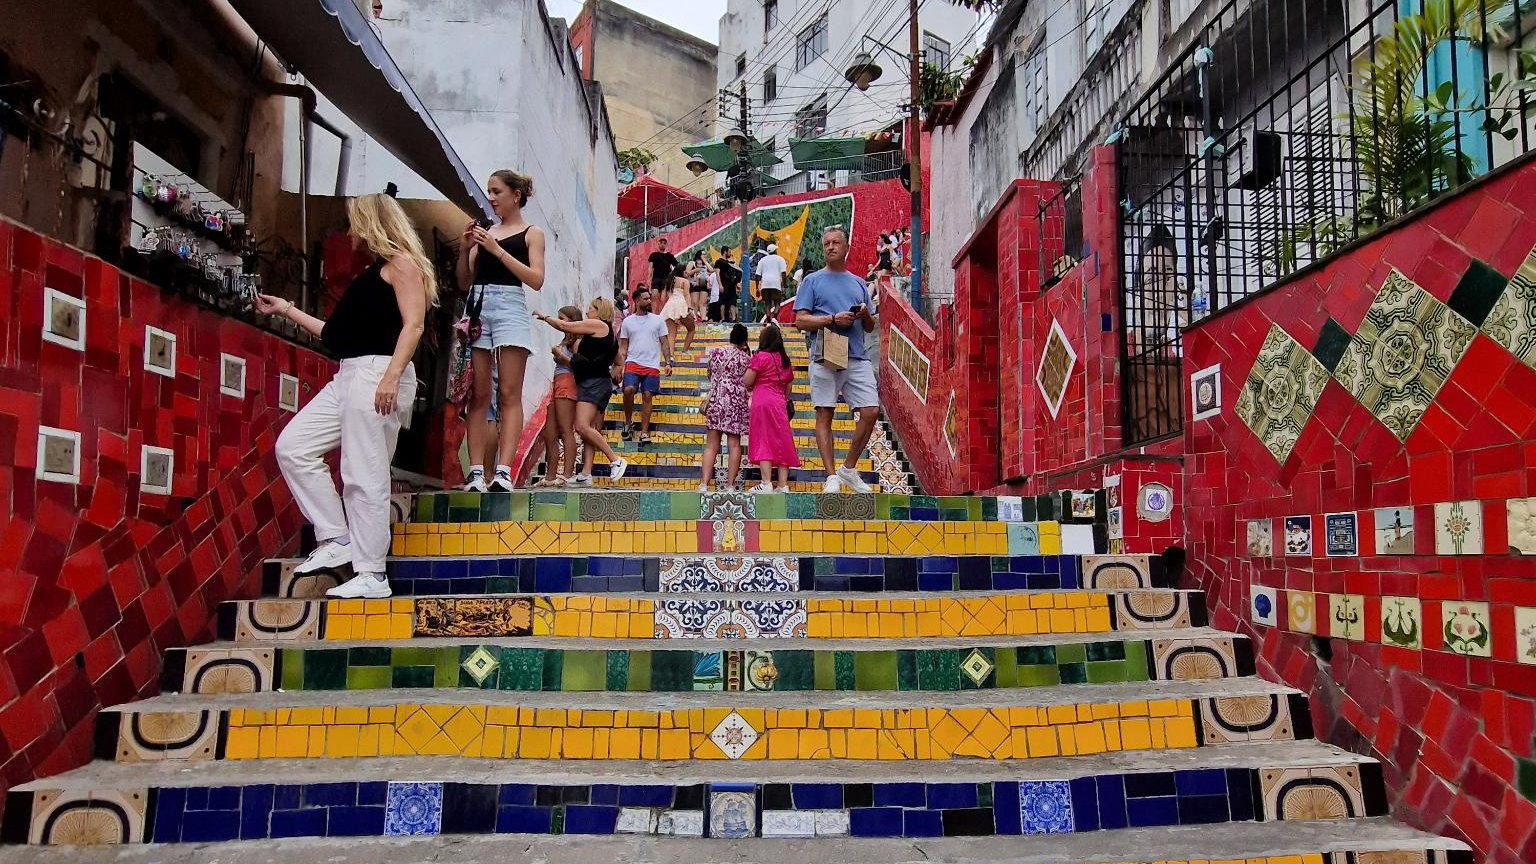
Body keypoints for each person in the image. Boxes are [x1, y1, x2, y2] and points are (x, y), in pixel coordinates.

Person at [259, 193, 433, 600]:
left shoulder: (402, 265)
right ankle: (337, 537)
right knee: (294, 446)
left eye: (355, 222)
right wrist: (286, 309)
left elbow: (415, 326)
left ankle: (372, 574)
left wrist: (390, 377)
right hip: (351, 373)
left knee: (363, 472)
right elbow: (335, 335)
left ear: (373, 222)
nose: (350, 231)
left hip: (378, 373)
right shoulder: (372, 275)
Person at [455, 170, 546, 493]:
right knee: (479, 394)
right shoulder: (486, 233)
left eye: (497, 192)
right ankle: (477, 471)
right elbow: (464, 282)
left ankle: (504, 471)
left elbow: (536, 279)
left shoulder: (531, 233)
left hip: (510, 305)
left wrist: (497, 250)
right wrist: (466, 249)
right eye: (490, 192)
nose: (491, 198)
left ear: (515, 195)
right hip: (479, 306)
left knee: (509, 392)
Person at [794, 224, 879, 494]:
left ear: (846, 248)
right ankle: (831, 476)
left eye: (835, 243)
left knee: (870, 411)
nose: (830, 247)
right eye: (826, 243)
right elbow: (799, 319)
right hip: (825, 353)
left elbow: (870, 327)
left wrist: (864, 314)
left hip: (856, 353)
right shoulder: (812, 281)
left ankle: (848, 469)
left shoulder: (858, 283)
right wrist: (832, 319)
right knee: (824, 412)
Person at [535, 298, 627, 486]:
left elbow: (563, 325)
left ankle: (615, 460)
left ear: (599, 312)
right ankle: (586, 473)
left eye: (590, 309)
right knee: (584, 427)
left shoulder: (598, 325)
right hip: (594, 382)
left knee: (582, 426)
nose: (587, 313)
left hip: (594, 383)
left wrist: (544, 317)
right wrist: (608, 375)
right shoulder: (606, 334)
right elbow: (619, 361)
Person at [532, 305, 583, 487]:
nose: (560, 321)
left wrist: (559, 355)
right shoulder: (567, 340)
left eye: (562, 318)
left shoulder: (577, 341)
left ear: (571, 320)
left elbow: (578, 366)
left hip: (567, 383)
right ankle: (551, 475)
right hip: (558, 383)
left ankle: (567, 473)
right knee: (550, 432)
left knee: (565, 429)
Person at [744, 324, 799, 493]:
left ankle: (766, 482)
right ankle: (782, 485)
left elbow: (747, 380)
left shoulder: (761, 357)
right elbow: (788, 385)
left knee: (763, 438)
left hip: (761, 402)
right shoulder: (785, 360)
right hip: (779, 403)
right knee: (782, 440)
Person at [700, 323, 752, 492]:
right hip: (736, 404)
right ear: (744, 341)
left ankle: (704, 484)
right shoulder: (746, 359)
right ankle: (730, 485)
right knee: (734, 445)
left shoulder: (716, 352)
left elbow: (710, 375)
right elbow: (749, 382)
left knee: (711, 445)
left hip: (716, 401)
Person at [618, 287, 672, 444]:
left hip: (652, 364)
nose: (649, 301)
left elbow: (665, 342)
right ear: (636, 301)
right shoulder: (628, 321)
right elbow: (623, 346)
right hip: (632, 362)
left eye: (649, 298)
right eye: (645, 298)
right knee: (628, 390)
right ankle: (628, 423)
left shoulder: (658, 320)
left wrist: (668, 362)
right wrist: (619, 366)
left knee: (648, 395)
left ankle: (644, 432)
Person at [661, 262, 697, 354]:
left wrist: (662, 310)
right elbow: (686, 295)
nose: (686, 274)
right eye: (685, 272)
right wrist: (690, 308)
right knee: (691, 328)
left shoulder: (668, 281)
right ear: (681, 272)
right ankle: (685, 350)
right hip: (681, 306)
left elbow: (662, 298)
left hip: (669, 306)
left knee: (671, 333)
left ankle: (671, 356)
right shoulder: (684, 281)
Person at [756, 243, 788, 325]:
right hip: (775, 283)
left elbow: (757, 275)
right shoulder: (780, 259)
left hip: (765, 284)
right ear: (775, 251)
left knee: (767, 302)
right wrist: (784, 286)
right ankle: (774, 317)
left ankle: (768, 319)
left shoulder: (762, 260)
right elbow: (783, 273)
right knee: (777, 302)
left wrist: (757, 288)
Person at [714, 245, 741, 322]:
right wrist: (720, 285)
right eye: (729, 252)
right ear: (725, 252)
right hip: (724, 284)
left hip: (731, 285)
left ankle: (733, 318)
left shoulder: (731, 262)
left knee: (732, 301)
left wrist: (736, 284)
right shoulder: (719, 262)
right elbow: (717, 274)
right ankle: (723, 318)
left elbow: (735, 274)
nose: (730, 253)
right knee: (723, 302)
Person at [686, 251, 710, 321]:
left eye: (705, 254)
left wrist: (705, 262)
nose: (705, 255)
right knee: (694, 302)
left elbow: (711, 270)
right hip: (694, 284)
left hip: (704, 284)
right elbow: (687, 273)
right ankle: (694, 318)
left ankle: (703, 318)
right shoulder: (692, 263)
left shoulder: (705, 264)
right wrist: (696, 270)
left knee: (703, 302)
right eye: (703, 254)